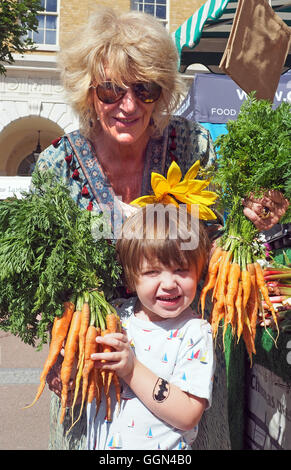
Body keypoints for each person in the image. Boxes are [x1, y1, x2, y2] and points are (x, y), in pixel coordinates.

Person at [35, 6, 288, 450]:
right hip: (96, 373)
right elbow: (40, 276)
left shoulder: (192, 146)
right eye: (111, 90)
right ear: (88, 91)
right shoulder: (58, 165)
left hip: (184, 371)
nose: (128, 105)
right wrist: (61, 342)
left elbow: (227, 236)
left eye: (144, 89)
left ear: (161, 92)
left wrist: (254, 216)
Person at [87, 204, 215, 450]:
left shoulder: (194, 333)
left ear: (199, 272)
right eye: (152, 272)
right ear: (130, 278)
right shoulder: (115, 316)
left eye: (181, 270)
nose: (168, 283)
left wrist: (131, 368)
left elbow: (189, 415)